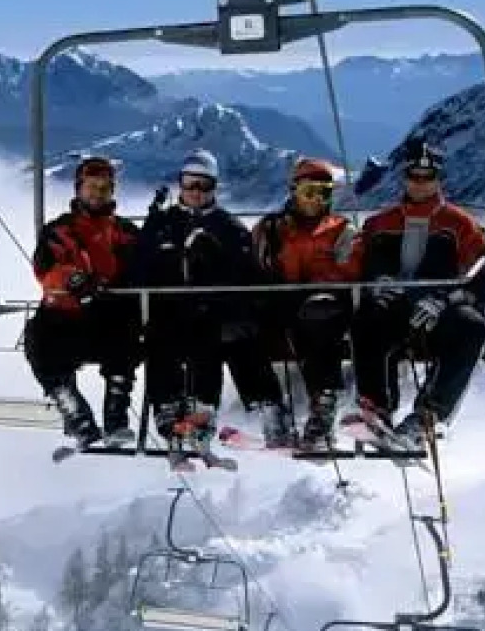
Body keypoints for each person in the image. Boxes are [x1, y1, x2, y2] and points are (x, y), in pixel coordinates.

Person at [349, 138, 485, 446]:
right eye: (413, 177)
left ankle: (428, 415)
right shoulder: (380, 223)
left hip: (438, 307)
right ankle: (376, 407)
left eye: (428, 178)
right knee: (366, 321)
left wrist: (451, 298)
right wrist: (376, 282)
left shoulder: (458, 223)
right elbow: (359, 264)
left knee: (472, 328)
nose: (420, 184)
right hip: (393, 306)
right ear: (404, 178)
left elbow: (483, 267)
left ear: (438, 180)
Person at [136, 149, 293, 447]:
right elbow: (142, 266)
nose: (196, 192)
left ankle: (268, 413)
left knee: (237, 339)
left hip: (220, 312)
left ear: (214, 188)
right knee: (164, 339)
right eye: (190, 184)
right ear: (180, 184)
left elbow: (249, 277)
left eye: (203, 185)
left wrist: (218, 263)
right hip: (173, 313)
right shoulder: (162, 224)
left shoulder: (230, 229)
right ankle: (172, 412)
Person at [23, 155, 142, 445]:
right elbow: (45, 268)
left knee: (129, 328)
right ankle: (75, 411)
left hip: (109, 318)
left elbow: (143, 265)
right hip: (66, 318)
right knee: (38, 338)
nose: (97, 194)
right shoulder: (60, 231)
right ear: (79, 189)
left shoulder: (125, 233)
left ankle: (116, 413)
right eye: (91, 187)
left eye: (104, 188)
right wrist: (73, 279)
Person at [252, 156, 359, 447]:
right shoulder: (272, 228)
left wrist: (313, 283)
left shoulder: (341, 230)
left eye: (322, 193)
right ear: (294, 192)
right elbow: (255, 265)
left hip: (325, 303)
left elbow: (349, 269)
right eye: (307, 192)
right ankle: (271, 407)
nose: (314, 201)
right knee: (247, 329)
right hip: (282, 301)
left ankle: (323, 408)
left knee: (316, 319)